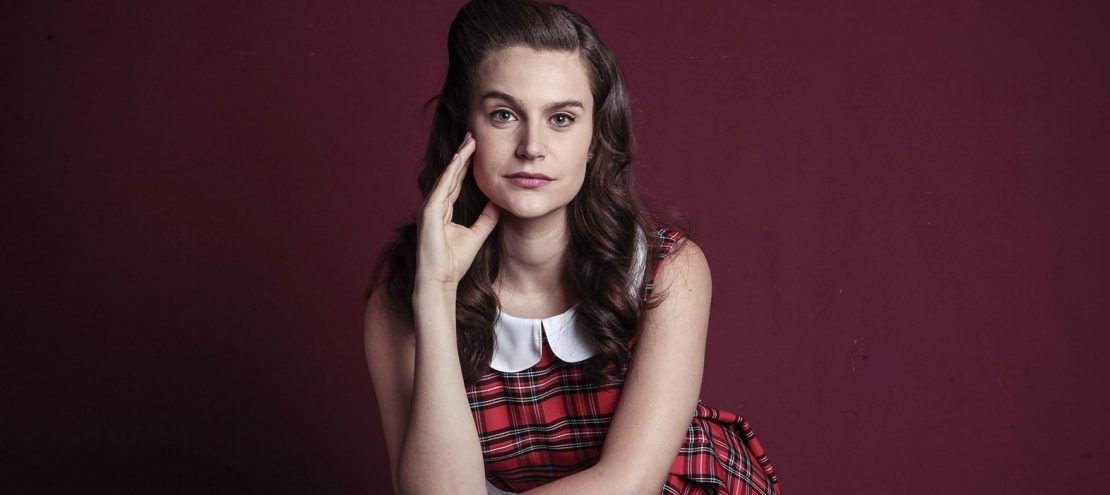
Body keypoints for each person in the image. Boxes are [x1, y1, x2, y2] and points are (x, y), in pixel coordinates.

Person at [363, 1, 781, 493]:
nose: (531, 147)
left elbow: (629, 484)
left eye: (561, 118)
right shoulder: (401, 300)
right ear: (465, 128)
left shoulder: (667, 270)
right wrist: (436, 290)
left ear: (595, 138)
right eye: (503, 114)